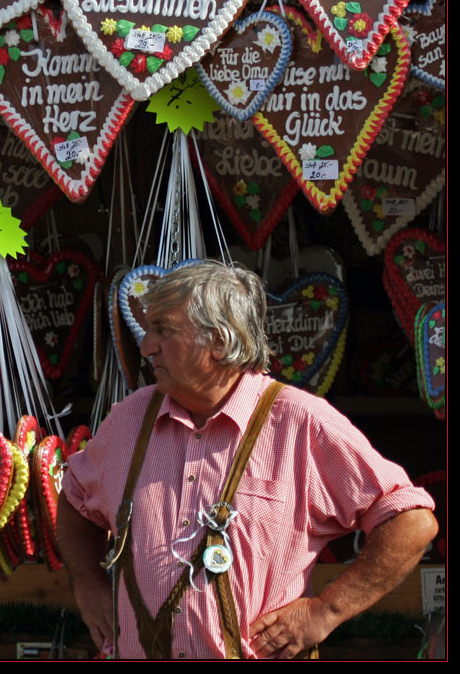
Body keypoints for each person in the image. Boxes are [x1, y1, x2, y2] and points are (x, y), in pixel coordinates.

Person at [57, 261, 437, 659]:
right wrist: (88, 584)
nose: (146, 345)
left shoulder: (300, 421)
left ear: (219, 341)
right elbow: (75, 498)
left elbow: (410, 521)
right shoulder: (129, 419)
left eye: (163, 330)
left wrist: (326, 611)